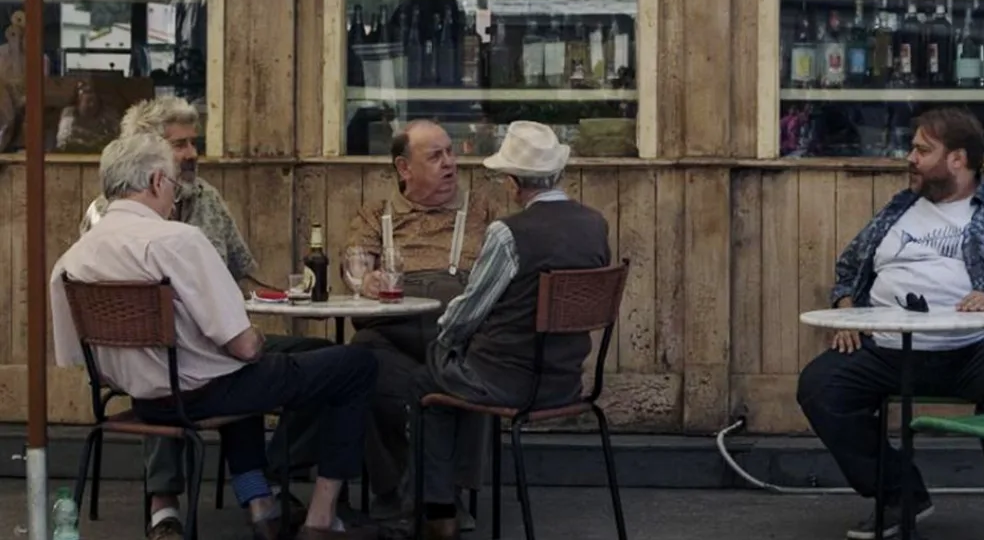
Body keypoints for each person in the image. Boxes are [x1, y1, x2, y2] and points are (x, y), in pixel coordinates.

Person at [49, 133, 380, 540]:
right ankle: (322, 519)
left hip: (145, 403)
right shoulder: (177, 241)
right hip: (203, 396)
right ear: (155, 181)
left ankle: (261, 505)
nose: (174, 196)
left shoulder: (71, 261)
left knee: (242, 368)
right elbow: (242, 344)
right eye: (172, 185)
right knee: (354, 364)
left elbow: (85, 364)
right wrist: (251, 339)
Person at [797, 107, 984, 540]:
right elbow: (849, 270)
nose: (910, 157)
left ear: (957, 159)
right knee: (821, 385)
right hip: (891, 346)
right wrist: (848, 313)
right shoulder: (899, 209)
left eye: (923, 150)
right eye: (913, 148)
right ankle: (900, 495)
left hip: (976, 347)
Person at [77, 96, 324, 540]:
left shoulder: (207, 198)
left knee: (319, 355)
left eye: (194, 143)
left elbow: (240, 276)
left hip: (216, 344)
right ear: (148, 155)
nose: (192, 154)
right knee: (178, 363)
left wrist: (284, 294)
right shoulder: (108, 214)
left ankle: (267, 474)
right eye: (180, 145)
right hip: (146, 353)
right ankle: (166, 505)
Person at [413, 121, 610, 540]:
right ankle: (457, 498)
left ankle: (440, 513)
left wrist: (445, 340)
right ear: (558, 173)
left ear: (511, 182)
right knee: (450, 378)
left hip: (508, 383)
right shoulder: (595, 225)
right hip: (566, 383)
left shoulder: (509, 233)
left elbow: (469, 312)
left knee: (427, 378)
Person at [344, 119, 501, 524]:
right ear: (403, 168)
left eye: (451, 153)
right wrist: (366, 279)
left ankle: (446, 493)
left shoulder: (483, 210)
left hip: (454, 331)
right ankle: (393, 488)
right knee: (360, 359)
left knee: (471, 357)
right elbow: (353, 264)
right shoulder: (377, 214)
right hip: (395, 331)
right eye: (436, 156)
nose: (450, 164)